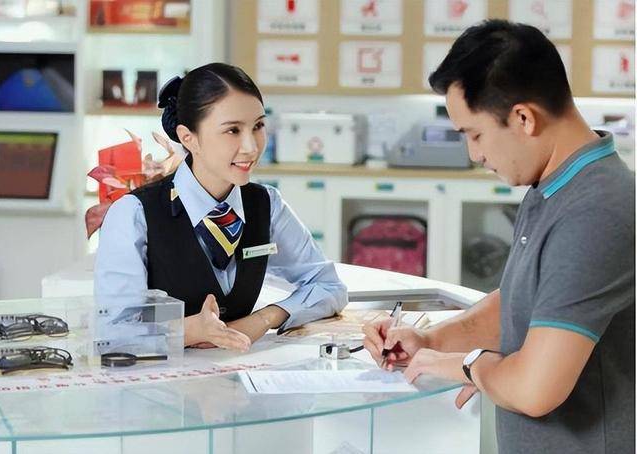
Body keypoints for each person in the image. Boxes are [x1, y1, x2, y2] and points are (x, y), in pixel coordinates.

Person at [363, 20, 634, 453]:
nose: (474, 154)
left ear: (523, 118)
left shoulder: (595, 211)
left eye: (475, 134)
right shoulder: (552, 185)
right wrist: (429, 341)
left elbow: (534, 390)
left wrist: (468, 364)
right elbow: (521, 304)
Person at [95, 62, 347, 351]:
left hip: (240, 367)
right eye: (232, 130)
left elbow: (329, 286)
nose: (251, 147)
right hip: (159, 375)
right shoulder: (133, 214)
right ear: (189, 138)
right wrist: (192, 331)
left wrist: (264, 318)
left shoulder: (267, 205)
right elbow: (112, 332)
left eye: (258, 126)